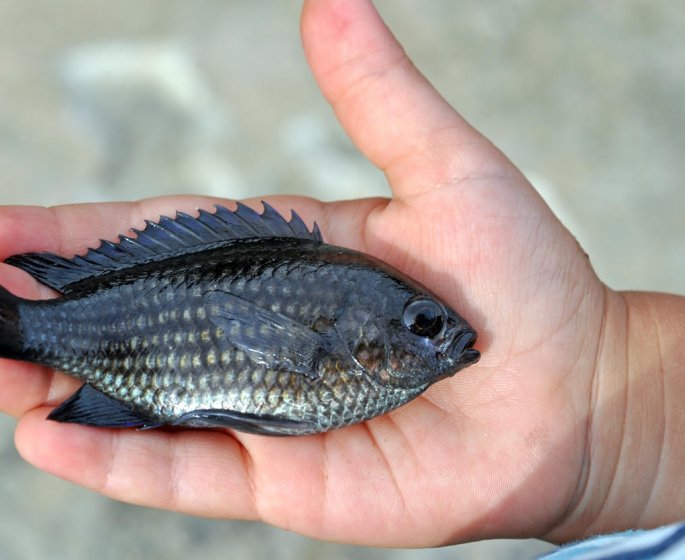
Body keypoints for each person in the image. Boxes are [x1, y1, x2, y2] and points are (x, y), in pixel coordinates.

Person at [0, 0, 683, 553]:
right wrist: (610, 431)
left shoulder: (354, 316)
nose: (451, 337)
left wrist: (608, 421)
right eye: (424, 323)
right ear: (364, 335)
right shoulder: (349, 315)